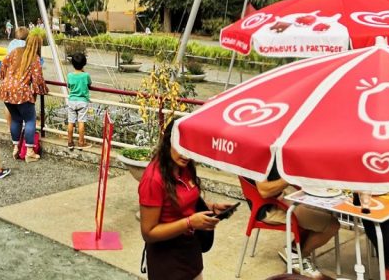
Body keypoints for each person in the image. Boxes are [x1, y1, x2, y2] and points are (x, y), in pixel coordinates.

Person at [138, 117, 232, 280]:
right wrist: (189, 222)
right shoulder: (153, 179)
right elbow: (148, 233)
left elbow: (184, 201)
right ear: (168, 141)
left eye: (190, 147)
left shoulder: (185, 167)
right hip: (166, 257)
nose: (185, 154)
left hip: (190, 250)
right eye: (180, 146)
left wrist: (211, 207)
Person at [254, 166, 340, 278]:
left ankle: (293, 250)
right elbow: (264, 191)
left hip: (282, 198)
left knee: (324, 210)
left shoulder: (272, 152)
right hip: (270, 208)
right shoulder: (259, 157)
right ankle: (300, 257)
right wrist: (289, 177)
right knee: (333, 225)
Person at [0, 31, 48, 162]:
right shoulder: (35, 58)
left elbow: (3, 64)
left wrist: (6, 77)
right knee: (30, 120)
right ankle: (29, 152)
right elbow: (38, 79)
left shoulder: (15, 51)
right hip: (21, 92)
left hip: (6, 89)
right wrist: (41, 89)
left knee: (16, 119)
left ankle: (16, 148)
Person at [66, 52, 92, 150]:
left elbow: (69, 85)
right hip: (82, 101)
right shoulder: (86, 75)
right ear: (84, 63)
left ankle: (70, 142)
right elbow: (89, 84)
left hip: (72, 101)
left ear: (72, 63)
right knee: (81, 122)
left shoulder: (69, 75)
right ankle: (81, 142)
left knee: (70, 122)